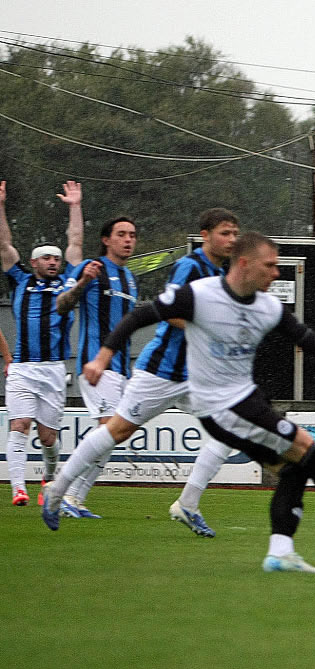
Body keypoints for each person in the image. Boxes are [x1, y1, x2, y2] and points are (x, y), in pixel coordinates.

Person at [44, 232, 315, 573]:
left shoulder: (267, 307)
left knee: (295, 467)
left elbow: (310, 341)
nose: (276, 273)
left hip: (245, 401)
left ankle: (283, 550)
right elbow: (141, 315)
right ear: (244, 264)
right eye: (270, 265)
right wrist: (102, 358)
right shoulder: (201, 294)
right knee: (307, 450)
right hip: (221, 409)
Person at [44, 209, 240, 536]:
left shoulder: (219, 273)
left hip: (193, 374)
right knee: (114, 431)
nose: (231, 239)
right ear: (205, 235)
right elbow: (168, 311)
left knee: (230, 426)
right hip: (161, 370)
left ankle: (188, 503)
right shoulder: (189, 266)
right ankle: (60, 489)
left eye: (235, 234)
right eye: (225, 233)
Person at [1, 180, 86, 507]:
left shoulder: (67, 281)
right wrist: (1, 205)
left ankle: (49, 478)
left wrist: (75, 206)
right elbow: (4, 243)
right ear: (34, 262)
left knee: (48, 438)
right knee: (19, 425)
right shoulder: (20, 279)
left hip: (53, 370)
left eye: (56, 258)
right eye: (46, 258)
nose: (53, 262)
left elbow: (75, 242)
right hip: (22, 368)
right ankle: (17, 489)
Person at [54, 213, 139, 518]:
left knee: (113, 435)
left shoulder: (131, 278)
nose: (128, 240)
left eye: (132, 235)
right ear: (106, 240)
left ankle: (74, 498)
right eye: (121, 234)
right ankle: (64, 493)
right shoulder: (91, 268)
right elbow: (61, 304)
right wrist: (83, 282)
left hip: (122, 370)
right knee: (108, 429)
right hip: (96, 365)